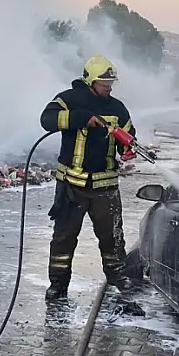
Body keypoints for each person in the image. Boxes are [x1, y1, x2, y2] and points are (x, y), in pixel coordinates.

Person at [39, 55, 136, 300]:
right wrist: (82, 119)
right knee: (63, 238)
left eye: (111, 82)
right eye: (104, 82)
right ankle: (58, 285)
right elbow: (47, 120)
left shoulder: (117, 108)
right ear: (90, 80)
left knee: (112, 236)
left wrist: (127, 149)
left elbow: (129, 134)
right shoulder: (69, 99)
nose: (109, 87)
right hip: (71, 184)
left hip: (105, 186)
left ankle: (118, 278)